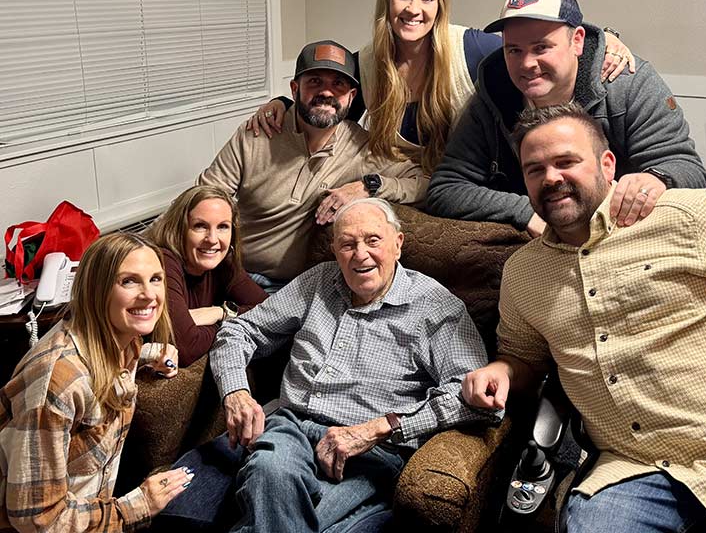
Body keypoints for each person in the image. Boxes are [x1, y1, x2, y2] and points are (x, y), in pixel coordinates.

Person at [462, 103, 706, 532]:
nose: (551, 178)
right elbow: (524, 358)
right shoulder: (523, 273)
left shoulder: (691, 216)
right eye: (535, 169)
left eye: (566, 162)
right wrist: (500, 370)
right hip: (635, 470)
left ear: (607, 164)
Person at [164, 198, 500, 532]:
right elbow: (241, 330)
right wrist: (236, 392)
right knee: (269, 467)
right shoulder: (318, 281)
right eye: (348, 244)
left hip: (371, 450)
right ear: (335, 250)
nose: (360, 254)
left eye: (373, 240)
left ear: (398, 244)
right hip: (291, 427)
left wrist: (379, 428)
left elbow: (474, 399)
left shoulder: (436, 307)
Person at [247, 0, 634, 174]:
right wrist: (281, 104)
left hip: (464, 183)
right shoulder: (366, 63)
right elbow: (327, 102)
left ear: (440, 6)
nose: (413, 9)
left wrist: (606, 39)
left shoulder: (471, 48)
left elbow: (537, 43)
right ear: (387, 1)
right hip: (399, 187)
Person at [426, 0, 706, 235]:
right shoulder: (492, 95)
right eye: (514, 50)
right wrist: (528, 212)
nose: (527, 64)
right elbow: (446, 188)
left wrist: (654, 180)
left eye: (541, 47)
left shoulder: (630, 85)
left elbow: (686, 168)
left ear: (577, 41)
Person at [0, 233, 193, 532]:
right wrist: (140, 504)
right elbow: (38, 519)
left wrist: (150, 353)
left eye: (155, 279)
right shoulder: (58, 383)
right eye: (129, 281)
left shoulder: (124, 341)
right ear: (96, 289)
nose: (149, 294)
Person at [198, 39, 425, 291]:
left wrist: (367, 186)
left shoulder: (362, 147)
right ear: (295, 89)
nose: (326, 92)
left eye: (338, 84)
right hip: (228, 268)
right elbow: (203, 197)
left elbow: (423, 182)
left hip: (288, 287)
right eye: (315, 81)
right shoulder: (258, 132)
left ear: (351, 97)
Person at [147, 185, 268, 367]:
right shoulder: (163, 262)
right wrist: (228, 324)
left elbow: (270, 311)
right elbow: (187, 348)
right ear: (179, 230)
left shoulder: (224, 262)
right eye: (200, 226)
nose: (212, 239)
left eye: (223, 227)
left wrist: (220, 313)